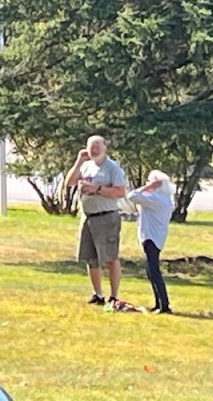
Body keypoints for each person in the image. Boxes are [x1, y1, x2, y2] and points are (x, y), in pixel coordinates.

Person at [65, 135, 127, 306]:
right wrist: (78, 162)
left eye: (98, 146)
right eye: (91, 146)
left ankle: (114, 296)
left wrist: (98, 189)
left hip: (106, 216)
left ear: (105, 147)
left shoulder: (112, 168)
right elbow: (69, 182)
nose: (95, 149)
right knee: (90, 257)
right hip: (88, 216)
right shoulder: (86, 166)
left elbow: (120, 192)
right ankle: (97, 294)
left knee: (110, 257)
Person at [127, 170, 175, 314]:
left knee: (154, 271)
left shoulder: (155, 199)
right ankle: (159, 303)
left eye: (150, 182)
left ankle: (164, 305)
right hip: (154, 237)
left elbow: (132, 196)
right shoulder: (165, 199)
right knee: (151, 271)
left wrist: (148, 187)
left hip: (151, 238)